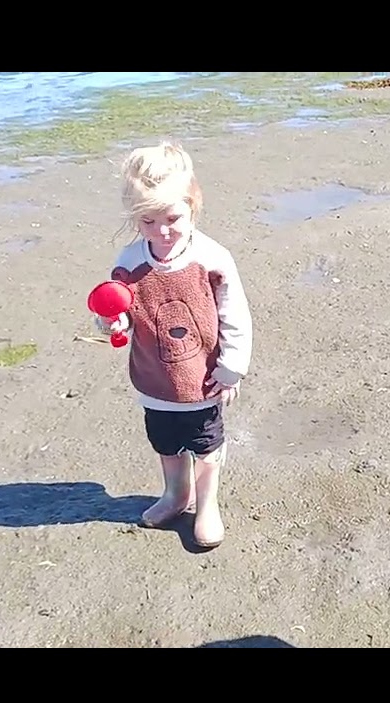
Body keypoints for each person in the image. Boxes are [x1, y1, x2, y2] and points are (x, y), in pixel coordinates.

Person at [95, 140, 253, 549]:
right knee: (165, 443)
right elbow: (122, 311)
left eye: (171, 217)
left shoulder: (212, 258)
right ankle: (175, 494)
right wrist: (111, 320)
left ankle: (207, 504)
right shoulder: (129, 262)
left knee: (206, 446)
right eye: (147, 221)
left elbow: (234, 314)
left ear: (192, 204)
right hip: (155, 380)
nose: (161, 231)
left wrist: (231, 366)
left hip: (203, 380)